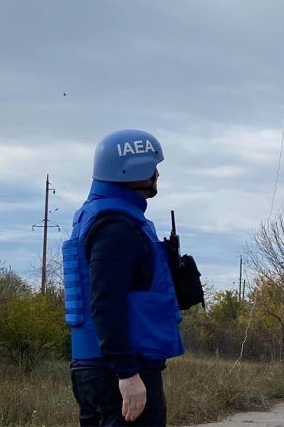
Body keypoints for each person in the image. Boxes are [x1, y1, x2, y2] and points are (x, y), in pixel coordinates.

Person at [63, 130, 184, 426]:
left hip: (100, 367)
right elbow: (106, 302)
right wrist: (127, 374)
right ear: (130, 169)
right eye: (151, 167)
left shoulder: (101, 216)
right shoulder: (116, 226)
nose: (157, 174)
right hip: (117, 371)